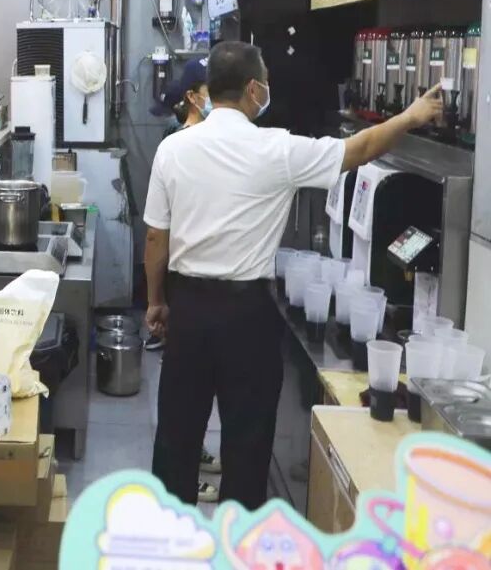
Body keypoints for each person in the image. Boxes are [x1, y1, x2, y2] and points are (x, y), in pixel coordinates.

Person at [144, 41, 443, 509]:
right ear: (252, 89)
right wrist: (410, 116)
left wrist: (157, 301)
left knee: (177, 437)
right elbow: (360, 149)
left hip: (190, 311)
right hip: (248, 316)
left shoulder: (173, 150)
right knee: (247, 443)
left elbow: (155, 239)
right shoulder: (277, 149)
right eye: (265, 81)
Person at [147, 57, 223, 505]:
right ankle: (186, 472)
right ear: (196, 97)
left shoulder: (203, 144)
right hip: (190, 279)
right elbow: (159, 233)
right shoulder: (178, 144)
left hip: (193, 282)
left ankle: (194, 457)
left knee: (192, 389)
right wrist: (157, 297)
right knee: (188, 393)